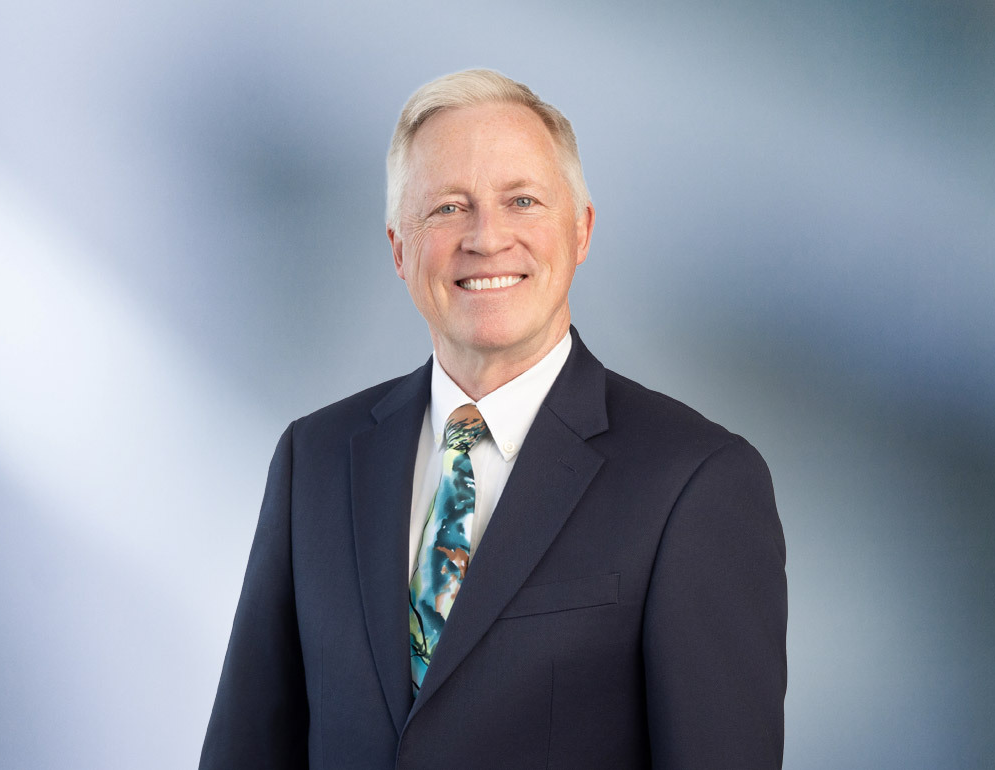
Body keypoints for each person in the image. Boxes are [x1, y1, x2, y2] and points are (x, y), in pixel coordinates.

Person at [200, 69, 786, 769]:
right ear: (398, 248)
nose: (486, 237)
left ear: (581, 230)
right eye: (448, 207)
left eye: (522, 200)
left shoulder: (695, 482)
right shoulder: (315, 460)